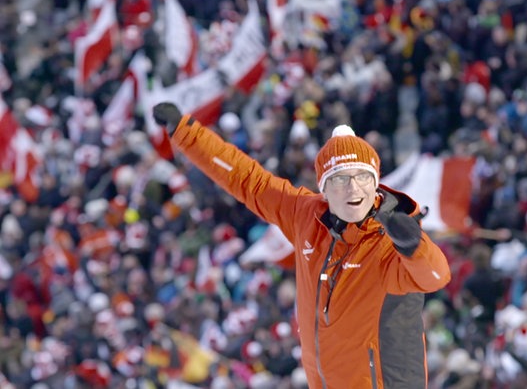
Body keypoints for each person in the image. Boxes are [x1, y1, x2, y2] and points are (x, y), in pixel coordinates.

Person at [152, 102, 452, 388]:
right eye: (340, 179)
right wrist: (186, 132)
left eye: (363, 176)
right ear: (323, 188)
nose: (353, 188)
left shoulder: (389, 239)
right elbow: (244, 177)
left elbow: (436, 277)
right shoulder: (305, 215)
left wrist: (413, 246)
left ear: (375, 182)